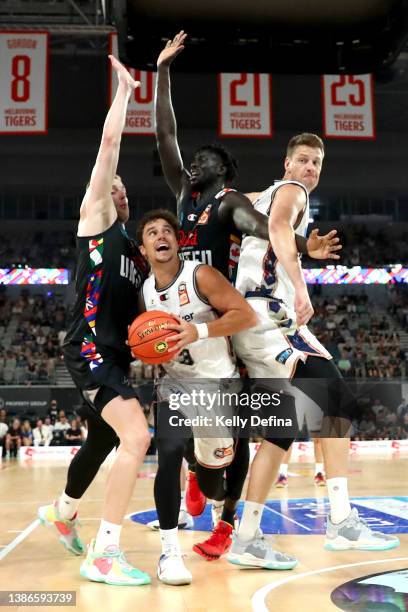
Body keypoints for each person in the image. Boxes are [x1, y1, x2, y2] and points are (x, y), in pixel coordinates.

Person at [155, 30, 341, 560]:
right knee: (192, 427)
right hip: (176, 312)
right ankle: (210, 489)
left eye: (205, 160)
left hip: (223, 318)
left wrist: (305, 243)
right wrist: (163, 72)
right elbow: (164, 134)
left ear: (223, 171)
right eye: (193, 162)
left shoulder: (230, 203)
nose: (194, 162)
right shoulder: (183, 193)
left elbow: (266, 227)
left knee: (236, 427)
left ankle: (228, 518)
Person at [228, 132, 399, 568]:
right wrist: (301, 288)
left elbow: (231, 208)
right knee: (336, 397)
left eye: (316, 164)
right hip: (269, 314)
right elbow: (280, 225)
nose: (309, 169)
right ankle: (340, 521)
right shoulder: (291, 191)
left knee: (281, 431)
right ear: (286, 165)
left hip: (250, 318)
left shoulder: (258, 195)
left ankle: (246, 538)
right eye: (302, 160)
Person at [38, 55, 151, 587]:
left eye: (126, 189)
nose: (119, 191)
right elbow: (108, 151)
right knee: (137, 436)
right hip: (88, 350)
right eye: (114, 187)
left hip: (116, 356)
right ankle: (105, 553)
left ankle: (61, 510)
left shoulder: (135, 248)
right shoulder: (97, 219)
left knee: (104, 441)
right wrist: (125, 95)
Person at [137, 209, 258, 584]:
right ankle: (170, 552)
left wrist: (199, 332)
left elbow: (246, 315)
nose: (161, 236)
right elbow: (154, 344)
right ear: (144, 249)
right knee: (167, 451)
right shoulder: (144, 291)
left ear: (177, 241)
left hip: (217, 385)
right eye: (152, 232)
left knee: (211, 483)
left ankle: (205, 482)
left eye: (167, 231)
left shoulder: (200, 275)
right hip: (175, 386)